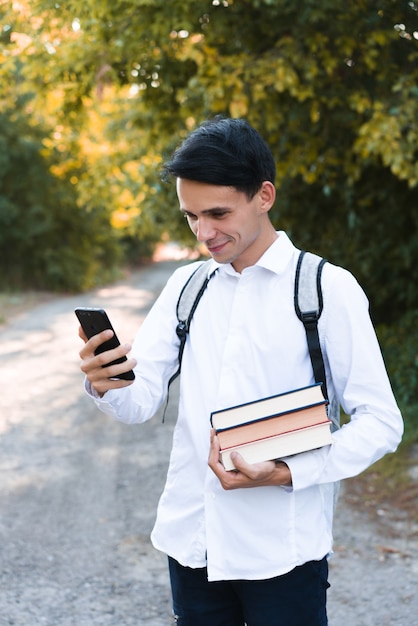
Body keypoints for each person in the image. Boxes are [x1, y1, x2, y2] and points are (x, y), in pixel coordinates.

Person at [78, 117, 403, 626]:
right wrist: (105, 381)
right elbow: (139, 404)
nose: (204, 233)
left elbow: (382, 422)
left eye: (217, 213)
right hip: (192, 542)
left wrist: (287, 472)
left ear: (264, 196)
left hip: (282, 550)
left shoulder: (326, 289)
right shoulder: (187, 287)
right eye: (190, 217)